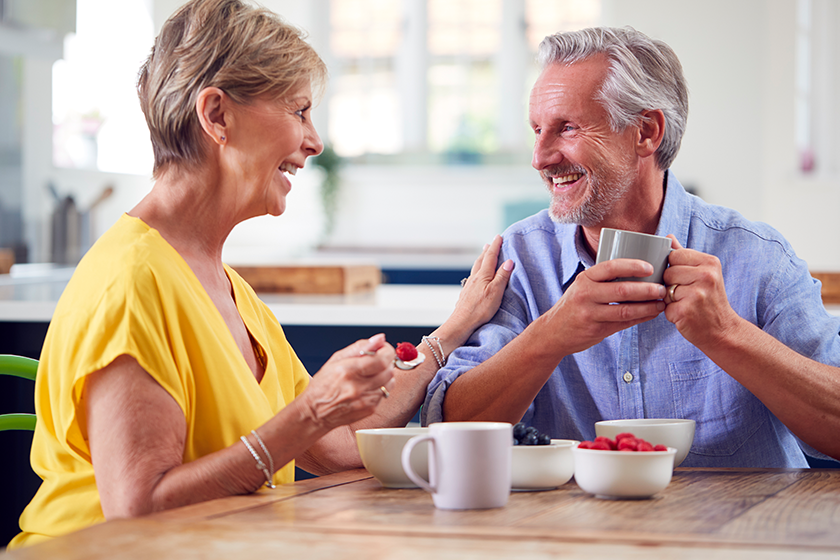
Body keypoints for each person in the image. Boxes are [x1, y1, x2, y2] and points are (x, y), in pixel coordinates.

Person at [8, 0, 513, 549]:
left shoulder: (231, 290)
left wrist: (451, 332)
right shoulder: (131, 284)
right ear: (217, 116)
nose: (315, 141)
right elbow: (140, 507)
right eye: (299, 111)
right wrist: (309, 411)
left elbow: (337, 444)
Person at [422, 26, 840, 467]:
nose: (540, 157)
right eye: (537, 129)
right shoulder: (520, 262)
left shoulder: (758, 258)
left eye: (567, 128)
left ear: (646, 131)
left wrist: (727, 334)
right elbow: (450, 436)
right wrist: (550, 336)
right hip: (571, 533)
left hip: (739, 531)